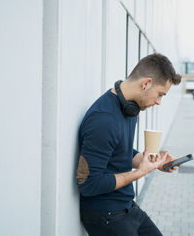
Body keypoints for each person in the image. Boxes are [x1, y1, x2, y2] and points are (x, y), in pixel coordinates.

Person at [76, 53, 182, 236]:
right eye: (160, 94)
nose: (158, 102)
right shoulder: (104, 119)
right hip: (105, 214)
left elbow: (120, 153)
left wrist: (154, 163)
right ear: (146, 83)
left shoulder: (129, 108)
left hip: (126, 207)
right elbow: (88, 183)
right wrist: (141, 172)